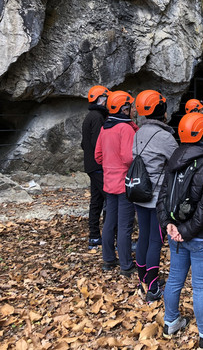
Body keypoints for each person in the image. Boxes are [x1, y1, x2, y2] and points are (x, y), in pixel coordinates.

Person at [157, 112, 203, 348]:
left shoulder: (174, 159)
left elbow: (163, 197)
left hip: (177, 232)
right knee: (200, 286)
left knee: (175, 279)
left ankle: (171, 322)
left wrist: (169, 224)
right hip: (200, 236)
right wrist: (185, 231)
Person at [133, 90, 178, 302]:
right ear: (161, 110)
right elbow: (178, 161)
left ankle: (143, 278)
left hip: (139, 193)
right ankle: (152, 288)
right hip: (157, 198)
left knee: (143, 236)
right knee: (155, 241)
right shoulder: (164, 137)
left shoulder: (139, 132)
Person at [95, 90, 137, 276]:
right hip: (124, 183)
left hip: (109, 182)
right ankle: (126, 265)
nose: (134, 110)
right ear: (124, 109)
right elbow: (129, 158)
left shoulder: (105, 127)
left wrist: (110, 165)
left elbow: (98, 156)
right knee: (125, 225)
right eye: (130, 106)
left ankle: (108, 259)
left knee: (109, 222)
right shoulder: (125, 128)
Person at [81, 85, 109, 250]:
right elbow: (98, 144)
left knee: (96, 201)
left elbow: (84, 144)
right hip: (98, 166)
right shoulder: (98, 117)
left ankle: (94, 237)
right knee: (110, 199)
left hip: (92, 166)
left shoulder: (90, 116)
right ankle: (108, 237)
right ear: (101, 99)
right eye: (106, 99)